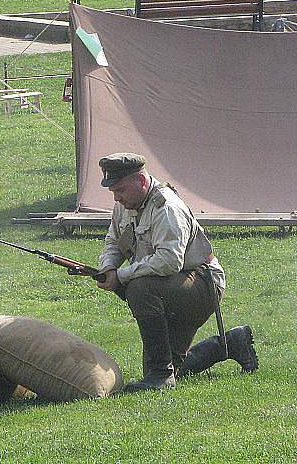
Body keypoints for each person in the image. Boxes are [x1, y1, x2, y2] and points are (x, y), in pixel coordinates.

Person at [94, 153, 258, 392]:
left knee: (140, 288)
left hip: (202, 283)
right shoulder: (125, 205)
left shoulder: (167, 207)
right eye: (113, 192)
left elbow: (168, 262)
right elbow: (114, 241)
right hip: (170, 285)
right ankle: (231, 343)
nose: (116, 198)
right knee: (168, 366)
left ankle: (161, 377)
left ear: (141, 181)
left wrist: (121, 276)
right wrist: (108, 267)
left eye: (120, 189)